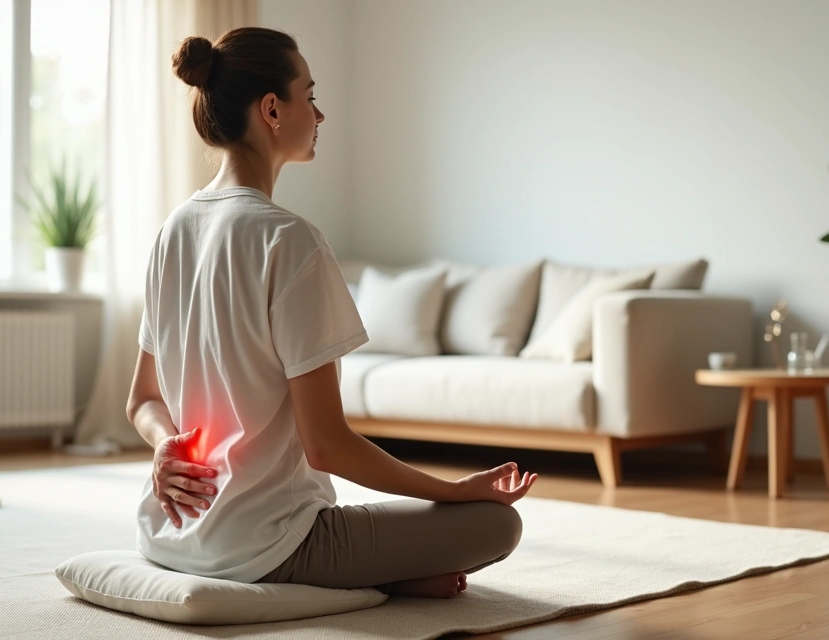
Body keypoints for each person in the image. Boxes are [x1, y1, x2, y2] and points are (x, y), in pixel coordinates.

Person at [125, 27, 538, 599]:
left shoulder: (173, 230)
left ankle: (389, 574)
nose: (320, 115)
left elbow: (143, 401)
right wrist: (453, 491)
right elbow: (327, 446)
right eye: (310, 96)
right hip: (268, 547)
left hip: (169, 536)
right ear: (273, 109)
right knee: (497, 524)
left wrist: (162, 444)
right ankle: (379, 579)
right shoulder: (290, 240)